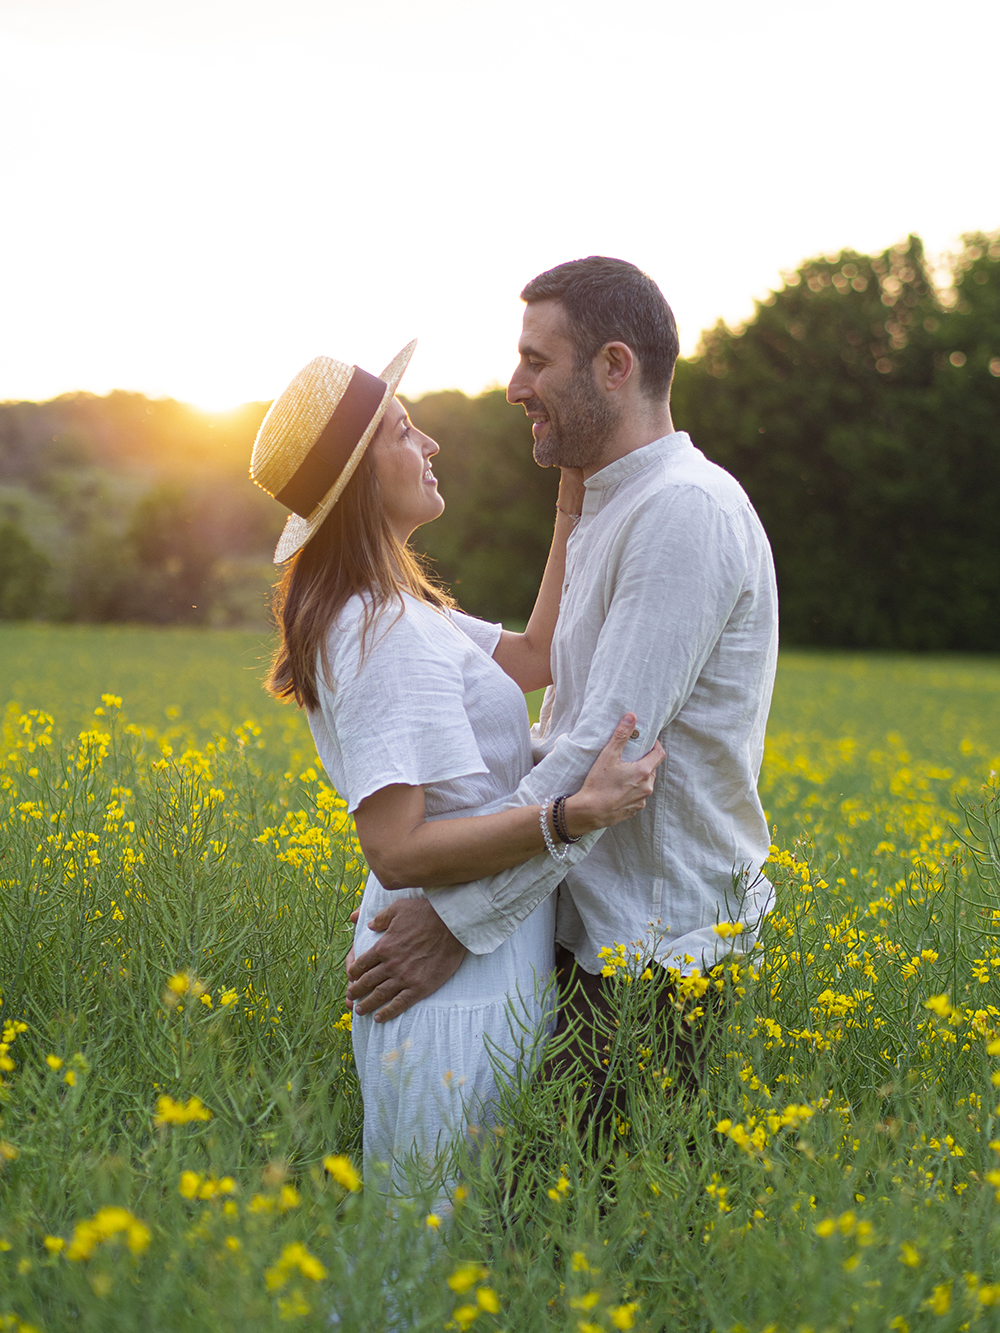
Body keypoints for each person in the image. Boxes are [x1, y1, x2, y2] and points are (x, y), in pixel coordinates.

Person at [345, 257, 780, 1124]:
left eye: (536, 362)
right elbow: (555, 695)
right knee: (520, 1192)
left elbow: (601, 751)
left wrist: (457, 918)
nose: (515, 387)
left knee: (578, 1203)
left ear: (614, 367)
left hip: (655, 959)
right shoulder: (617, 504)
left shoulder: (683, 512)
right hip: (591, 935)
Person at [249, 341, 664, 1192]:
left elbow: (537, 654)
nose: (430, 443)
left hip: (485, 946)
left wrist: (572, 501)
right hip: (442, 977)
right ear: (361, 480)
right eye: (405, 431)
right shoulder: (373, 633)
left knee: (472, 1223)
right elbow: (395, 848)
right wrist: (570, 814)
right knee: (433, 1232)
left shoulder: (406, 609)